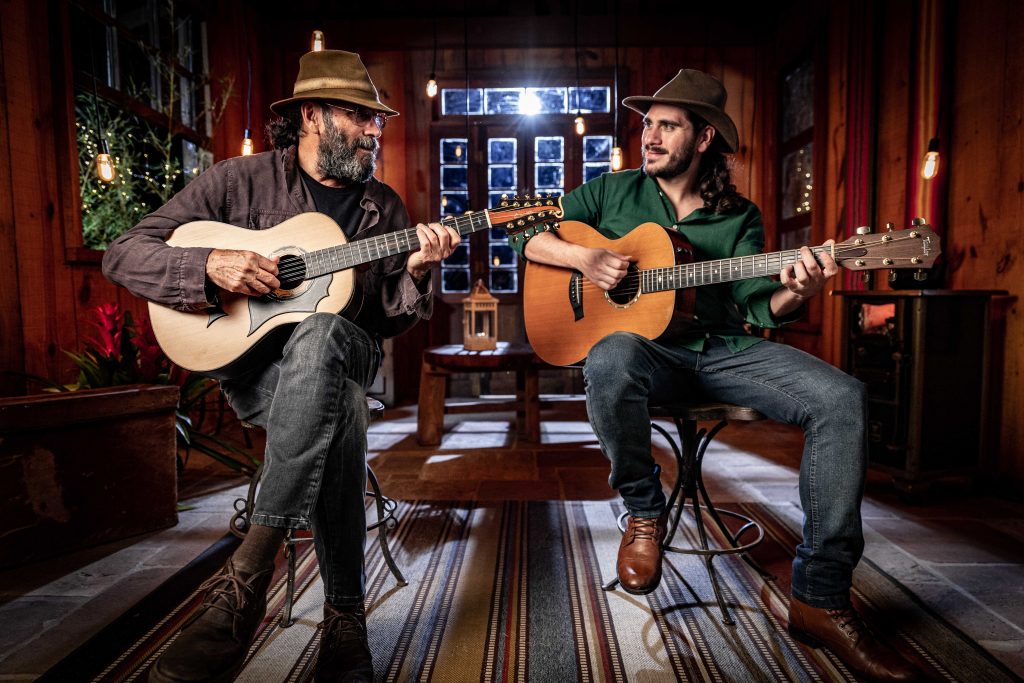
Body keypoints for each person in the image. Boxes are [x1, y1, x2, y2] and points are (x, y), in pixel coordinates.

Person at [511, 69, 918, 682]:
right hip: (647, 357)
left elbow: (762, 307)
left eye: (666, 125)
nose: (649, 135)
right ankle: (644, 511)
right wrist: (583, 256)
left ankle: (821, 597)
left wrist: (800, 289)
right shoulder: (612, 192)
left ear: (703, 140)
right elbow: (525, 231)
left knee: (842, 397)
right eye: (647, 123)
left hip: (719, 352)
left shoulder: (739, 218)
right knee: (612, 353)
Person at [102, 49, 459, 683]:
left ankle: (245, 579)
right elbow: (124, 253)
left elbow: (389, 321)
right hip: (257, 379)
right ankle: (344, 619)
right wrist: (209, 266)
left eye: (379, 119)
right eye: (360, 116)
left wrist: (416, 272)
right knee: (341, 410)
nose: (377, 130)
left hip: (345, 352)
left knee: (323, 334)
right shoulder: (238, 183)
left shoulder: (387, 209)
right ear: (313, 116)